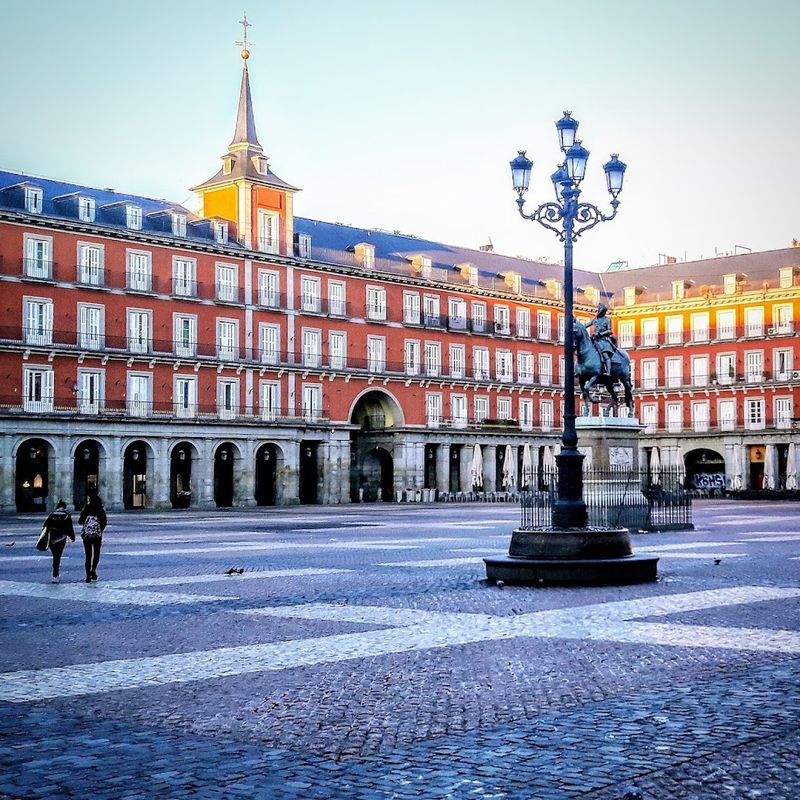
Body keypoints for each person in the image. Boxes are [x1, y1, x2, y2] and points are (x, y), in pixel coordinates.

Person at [43, 499, 75, 583]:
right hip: (61, 538)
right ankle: (55, 575)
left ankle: (55, 574)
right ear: (64, 507)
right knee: (58, 556)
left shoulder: (51, 515)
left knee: (55, 555)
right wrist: (72, 537)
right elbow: (70, 527)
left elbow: (45, 526)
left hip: (52, 539)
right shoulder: (67, 515)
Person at [79, 494, 107, 583]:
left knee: (88, 555)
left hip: (87, 536)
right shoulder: (100, 509)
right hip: (97, 536)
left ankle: (87, 575)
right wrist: (99, 530)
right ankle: (93, 570)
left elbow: (80, 521)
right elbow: (104, 522)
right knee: (96, 554)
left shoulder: (86, 509)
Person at [585, 302, 616, 376]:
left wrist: (601, 334)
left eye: (600, 309)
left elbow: (610, 331)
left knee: (605, 355)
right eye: (598, 309)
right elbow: (585, 325)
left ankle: (608, 371)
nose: (599, 311)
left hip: (604, 340)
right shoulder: (595, 320)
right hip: (595, 340)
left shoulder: (607, 320)